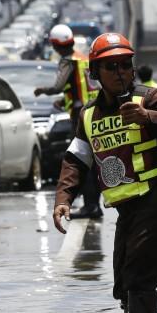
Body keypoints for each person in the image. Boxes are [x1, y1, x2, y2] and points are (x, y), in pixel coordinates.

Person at [53, 32, 157, 313]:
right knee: (123, 290)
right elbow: (77, 159)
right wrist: (63, 198)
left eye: (125, 65)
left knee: (139, 282)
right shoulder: (88, 114)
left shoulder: (148, 98)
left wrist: (149, 116)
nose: (120, 73)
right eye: (111, 67)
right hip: (127, 211)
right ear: (95, 73)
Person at [34, 23, 102, 218]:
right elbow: (83, 88)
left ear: (55, 45)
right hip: (92, 112)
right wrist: (64, 101)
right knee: (93, 160)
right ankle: (94, 204)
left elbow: (58, 85)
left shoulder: (67, 61)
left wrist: (42, 90)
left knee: (82, 161)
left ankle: (90, 206)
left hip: (80, 117)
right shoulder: (83, 58)